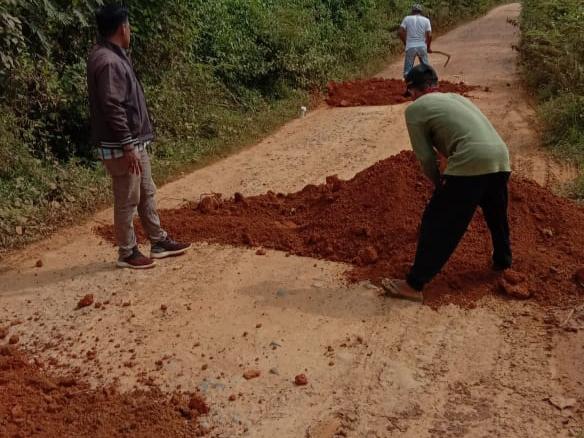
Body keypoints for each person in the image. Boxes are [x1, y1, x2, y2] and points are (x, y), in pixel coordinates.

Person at [382, 64, 512, 302]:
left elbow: (425, 157)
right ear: (435, 85)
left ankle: (414, 284)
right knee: (496, 212)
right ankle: (503, 260)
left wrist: (439, 184)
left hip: (470, 161)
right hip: (501, 158)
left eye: (409, 93)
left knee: (439, 221)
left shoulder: (415, 109)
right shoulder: (456, 98)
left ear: (412, 90)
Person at [87, 5, 191, 269]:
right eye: (129, 25)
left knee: (146, 192)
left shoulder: (113, 55)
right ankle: (127, 251)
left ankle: (158, 241)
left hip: (133, 142)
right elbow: (112, 106)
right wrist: (127, 144)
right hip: (124, 145)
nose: (130, 30)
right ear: (122, 28)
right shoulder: (109, 62)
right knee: (127, 198)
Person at [398, 4, 432, 80]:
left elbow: (400, 32)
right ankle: (428, 85)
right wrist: (428, 47)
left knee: (408, 71)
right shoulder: (426, 20)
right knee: (426, 68)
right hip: (422, 46)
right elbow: (429, 35)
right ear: (421, 12)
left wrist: (406, 42)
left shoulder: (407, 18)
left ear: (412, 11)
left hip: (410, 47)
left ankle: (409, 86)